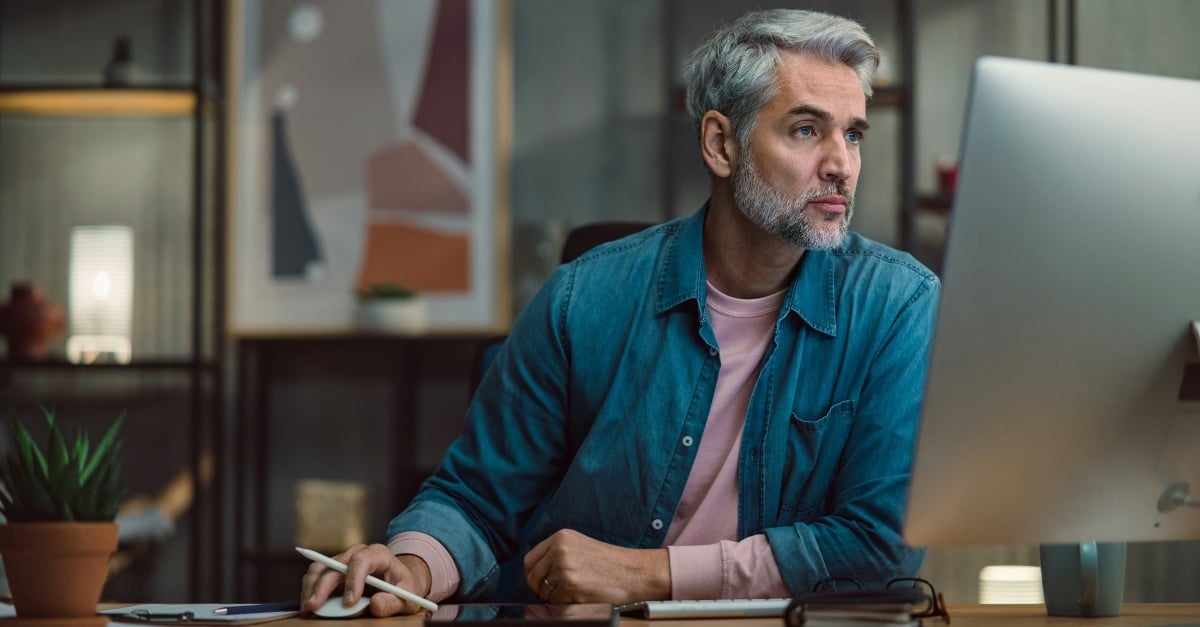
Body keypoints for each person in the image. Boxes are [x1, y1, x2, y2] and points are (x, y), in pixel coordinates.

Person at [301, 8, 939, 617]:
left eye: (853, 133)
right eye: (805, 130)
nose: (841, 165)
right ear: (721, 144)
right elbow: (477, 500)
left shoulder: (899, 306)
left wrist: (648, 573)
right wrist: (410, 567)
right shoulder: (581, 297)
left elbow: (883, 547)